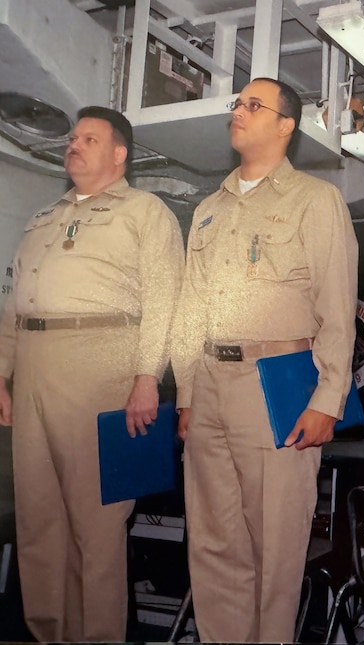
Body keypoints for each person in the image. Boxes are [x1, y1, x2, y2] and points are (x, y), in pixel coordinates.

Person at [170, 77, 358, 642]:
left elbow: (336, 308)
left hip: (275, 385)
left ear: (285, 126)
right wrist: (185, 393)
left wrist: (329, 397)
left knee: (275, 546)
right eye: (237, 104)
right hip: (208, 387)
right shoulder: (206, 210)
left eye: (255, 105)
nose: (240, 111)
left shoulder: (315, 200)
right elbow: (187, 311)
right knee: (213, 543)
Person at [0, 106, 184, 641]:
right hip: (33, 367)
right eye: (73, 138)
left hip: (99, 366)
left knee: (96, 529)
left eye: (89, 138)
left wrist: (147, 376)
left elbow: (165, 299)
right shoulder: (43, 218)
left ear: (118, 154)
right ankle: (48, 634)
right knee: (38, 523)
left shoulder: (144, 212)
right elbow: (14, 303)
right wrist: (3, 374)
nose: (73, 145)